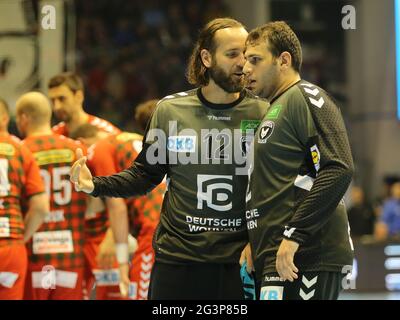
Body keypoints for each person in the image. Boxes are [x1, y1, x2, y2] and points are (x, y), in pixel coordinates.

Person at [70, 17, 268, 299]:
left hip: (239, 262)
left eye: (246, 56)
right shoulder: (170, 111)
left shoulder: (263, 113)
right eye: (232, 54)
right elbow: (144, 175)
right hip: (178, 259)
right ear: (206, 58)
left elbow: (275, 187)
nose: (242, 63)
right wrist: (95, 185)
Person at [243, 21, 354, 300]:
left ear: (284, 60)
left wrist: (295, 235)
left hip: (306, 253)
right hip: (276, 253)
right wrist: (255, 241)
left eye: (255, 60)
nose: (246, 69)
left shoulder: (306, 96)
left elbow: (338, 167)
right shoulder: (275, 108)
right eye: (245, 61)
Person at [72, 99, 164, 300]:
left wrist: (122, 263)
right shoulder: (133, 138)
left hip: (152, 229)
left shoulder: (99, 148)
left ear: (83, 142)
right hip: (172, 224)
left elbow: (117, 206)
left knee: (142, 296)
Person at [48, 72, 121, 299]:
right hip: (67, 237)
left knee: (111, 295)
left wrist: (114, 235)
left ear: (78, 95)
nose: (56, 106)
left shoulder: (107, 134)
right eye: (52, 100)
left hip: (102, 234)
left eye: (62, 98)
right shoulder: (52, 136)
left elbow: (127, 183)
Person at [15, 92, 87, 300]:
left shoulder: (21, 151)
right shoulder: (77, 149)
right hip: (70, 257)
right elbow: (94, 204)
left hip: (35, 257)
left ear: (23, 118)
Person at [0, 98, 48, 299]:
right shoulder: (20, 150)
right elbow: (40, 208)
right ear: (5, 118)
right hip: (10, 245)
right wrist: (22, 238)